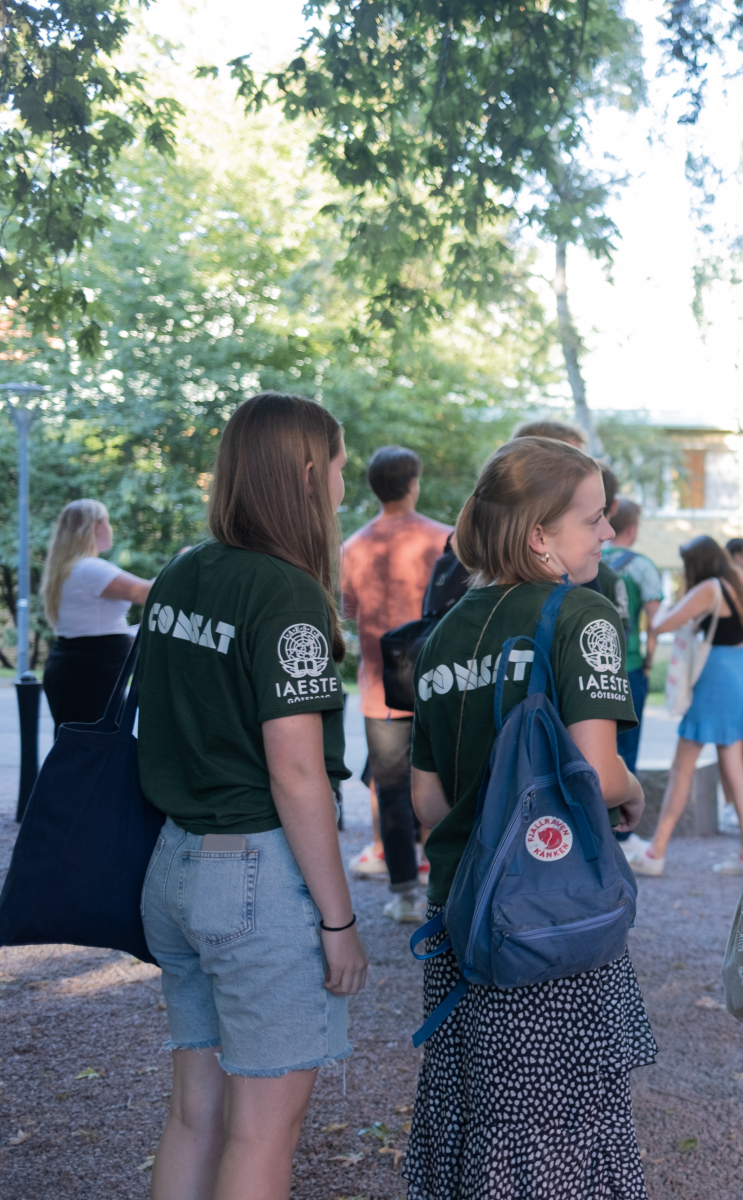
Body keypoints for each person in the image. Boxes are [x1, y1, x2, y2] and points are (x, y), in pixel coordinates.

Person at [404, 434, 653, 1198]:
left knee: (477, 1116)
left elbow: (426, 800)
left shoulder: (443, 632)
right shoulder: (583, 614)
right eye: (593, 518)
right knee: (558, 1125)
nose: (607, 532)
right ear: (539, 535)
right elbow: (596, 772)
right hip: (549, 913)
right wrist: (632, 792)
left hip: (465, 913)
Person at [137, 393, 367, 1200]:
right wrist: (338, 922)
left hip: (174, 865)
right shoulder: (287, 593)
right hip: (252, 880)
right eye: (339, 467)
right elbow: (297, 775)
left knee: (195, 1116)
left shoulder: (180, 572)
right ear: (307, 473)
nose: (344, 484)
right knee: (262, 1134)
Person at [339, 446, 454, 924]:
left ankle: (405, 892)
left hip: (381, 688)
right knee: (449, 778)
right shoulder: (443, 538)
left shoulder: (353, 547)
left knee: (390, 789)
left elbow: (347, 611)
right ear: (413, 484)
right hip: (443, 681)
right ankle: (449, 885)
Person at [632, 535, 743, 876]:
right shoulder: (739, 580)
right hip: (738, 670)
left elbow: (660, 624)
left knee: (682, 768)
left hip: (714, 676)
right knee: (733, 766)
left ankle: (656, 852)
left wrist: (667, 602)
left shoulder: (708, 588)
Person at [40, 499, 152, 728]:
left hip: (75, 669)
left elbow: (93, 627)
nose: (110, 528)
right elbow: (149, 594)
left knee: (79, 743)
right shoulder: (89, 569)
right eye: (108, 522)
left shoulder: (69, 568)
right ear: (96, 526)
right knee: (95, 744)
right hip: (92, 674)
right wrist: (183, 564)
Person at [603, 498, 664, 778]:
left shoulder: (590, 560)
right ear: (631, 529)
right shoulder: (642, 566)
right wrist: (649, 663)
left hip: (586, 668)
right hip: (630, 667)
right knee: (626, 752)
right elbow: (655, 622)